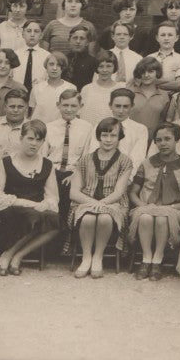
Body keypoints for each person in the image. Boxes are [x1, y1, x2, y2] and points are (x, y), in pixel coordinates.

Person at [0, 120, 62, 274]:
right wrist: (29, 204)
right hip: (9, 209)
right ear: (21, 139)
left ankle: (16, 255)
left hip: (36, 210)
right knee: (36, 217)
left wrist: (46, 203)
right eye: (30, 138)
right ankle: (6, 254)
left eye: (38, 140)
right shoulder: (6, 163)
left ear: (43, 142)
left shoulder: (47, 165)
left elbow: (53, 197)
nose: (34, 144)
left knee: (54, 220)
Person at [68, 117, 134, 279]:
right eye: (104, 135)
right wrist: (93, 203)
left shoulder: (125, 161)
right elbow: (74, 192)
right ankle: (86, 258)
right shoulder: (85, 160)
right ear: (98, 136)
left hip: (114, 203)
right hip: (86, 201)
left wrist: (102, 203)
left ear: (119, 137)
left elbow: (119, 192)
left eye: (113, 135)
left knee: (104, 217)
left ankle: (98, 257)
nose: (108, 140)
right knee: (88, 218)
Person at [129, 123, 180, 280]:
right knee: (145, 217)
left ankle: (157, 260)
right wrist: (144, 206)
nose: (163, 143)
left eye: (167, 139)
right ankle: (146, 258)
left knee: (162, 218)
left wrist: (172, 207)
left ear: (177, 140)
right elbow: (133, 192)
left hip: (174, 210)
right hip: (146, 207)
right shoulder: (146, 164)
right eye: (159, 140)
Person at [45, 87, 93, 223]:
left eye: (73, 106)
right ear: (58, 105)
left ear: (80, 107)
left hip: (74, 172)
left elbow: (86, 157)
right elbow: (43, 156)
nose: (69, 109)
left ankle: (65, 230)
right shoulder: (49, 127)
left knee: (69, 194)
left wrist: (76, 174)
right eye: (65, 105)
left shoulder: (87, 128)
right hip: (52, 171)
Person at [97, 87, 150, 168]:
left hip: (127, 172)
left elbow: (137, 159)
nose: (121, 111)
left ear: (132, 106)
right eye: (117, 106)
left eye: (125, 106)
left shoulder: (140, 130)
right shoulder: (99, 126)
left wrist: (125, 175)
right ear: (110, 106)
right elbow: (93, 153)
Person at [0, 88, 30, 161]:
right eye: (12, 106)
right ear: (5, 107)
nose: (16, 110)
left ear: (26, 108)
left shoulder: (32, 128)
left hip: (21, 166)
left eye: (20, 107)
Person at [126, 57, 169, 131]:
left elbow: (163, 120)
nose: (146, 75)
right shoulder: (130, 92)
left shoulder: (164, 95)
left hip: (154, 136)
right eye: (143, 72)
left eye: (150, 71)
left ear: (157, 73)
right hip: (132, 135)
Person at [29, 50, 70, 124]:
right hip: (40, 128)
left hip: (60, 128)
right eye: (51, 64)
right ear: (46, 67)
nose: (54, 68)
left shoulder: (70, 88)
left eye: (59, 65)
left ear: (63, 68)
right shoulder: (37, 88)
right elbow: (33, 112)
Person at [10, 17, 49, 97]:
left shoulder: (47, 56)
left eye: (36, 31)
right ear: (23, 34)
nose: (32, 34)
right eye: (28, 31)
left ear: (41, 35)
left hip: (39, 95)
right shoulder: (15, 55)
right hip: (17, 95)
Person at [77, 53, 118, 124]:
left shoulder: (119, 89)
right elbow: (80, 112)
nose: (104, 70)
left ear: (114, 67)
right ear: (96, 68)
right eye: (101, 66)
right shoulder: (87, 89)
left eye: (108, 66)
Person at [105, 20, 142, 84]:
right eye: (118, 34)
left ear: (131, 37)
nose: (122, 37)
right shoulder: (105, 55)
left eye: (125, 34)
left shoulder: (138, 59)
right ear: (113, 36)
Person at [63, 24, 99, 89]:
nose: (78, 41)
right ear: (69, 40)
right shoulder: (63, 60)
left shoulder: (93, 62)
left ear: (87, 42)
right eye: (75, 38)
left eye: (82, 38)